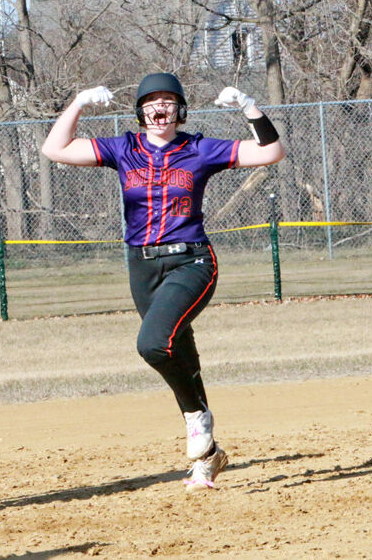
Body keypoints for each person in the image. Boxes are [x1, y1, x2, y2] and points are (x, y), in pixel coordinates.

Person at [41, 73, 285, 491]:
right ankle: (207, 459)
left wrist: (249, 106)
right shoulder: (124, 148)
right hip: (142, 266)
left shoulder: (199, 149)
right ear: (139, 111)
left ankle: (196, 419)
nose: (159, 108)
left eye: (168, 102)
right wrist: (78, 102)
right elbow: (54, 149)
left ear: (180, 110)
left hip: (191, 261)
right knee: (179, 354)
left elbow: (271, 152)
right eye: (151, 102)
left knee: (153, 343)